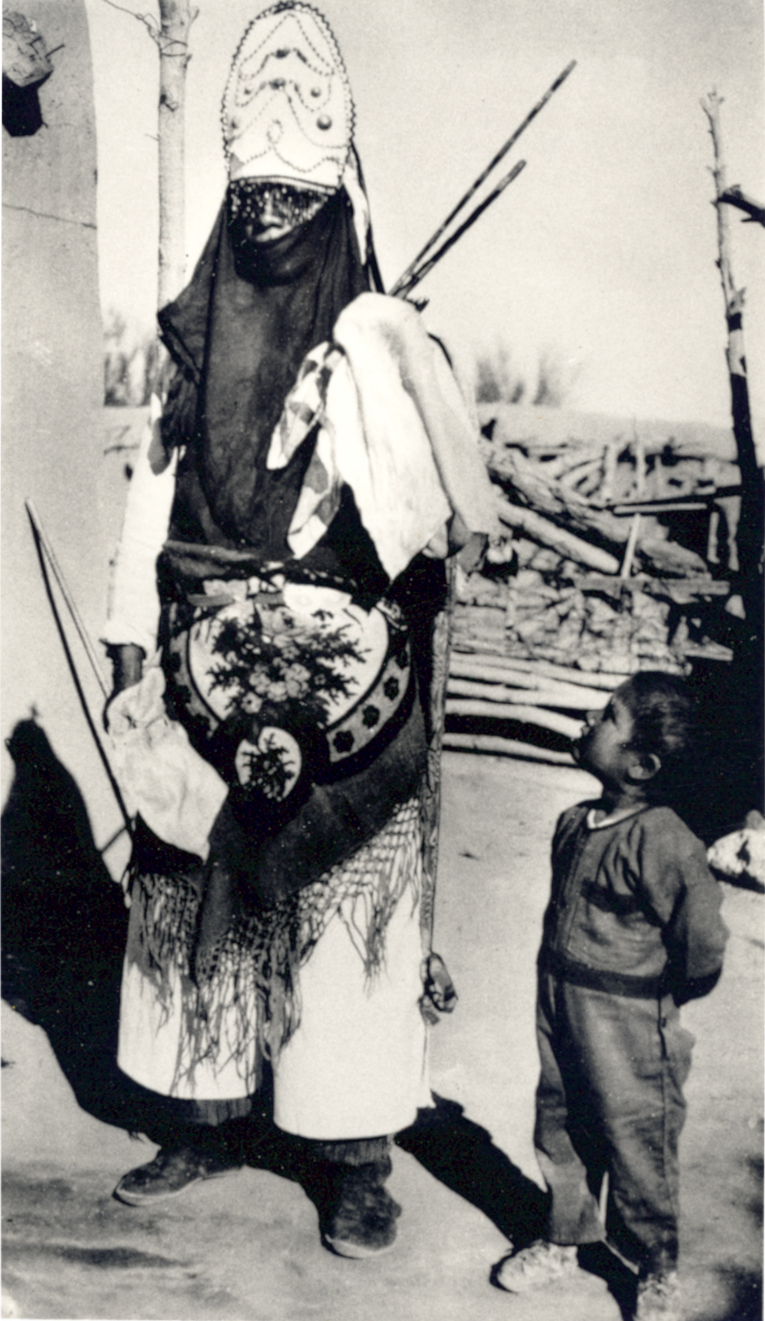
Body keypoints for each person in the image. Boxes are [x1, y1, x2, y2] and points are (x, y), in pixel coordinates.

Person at [101, 1, 496, 1259]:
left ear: (331, 212)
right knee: (188, 885)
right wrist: (129, 637)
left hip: (349, 674)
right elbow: (153, 488)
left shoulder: (380, 348)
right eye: (252, 205)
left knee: (343, 920)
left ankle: (353, 1151)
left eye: (294, 207)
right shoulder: (196, 336)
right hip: (200, 648)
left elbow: (430, 522)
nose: (269, 227)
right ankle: (205, 1114)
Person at [494, 672, 728, 1319]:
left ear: (642, 762)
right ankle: (563, 1236)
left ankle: (655, 1267)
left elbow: (701, 941)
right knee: (560, 1123)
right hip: (559, 1003)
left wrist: (659, 993)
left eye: (606, 717)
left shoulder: (664, 840)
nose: (587, 722)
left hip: (629, 1019)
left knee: (636, 1140)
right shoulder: (574, 822)